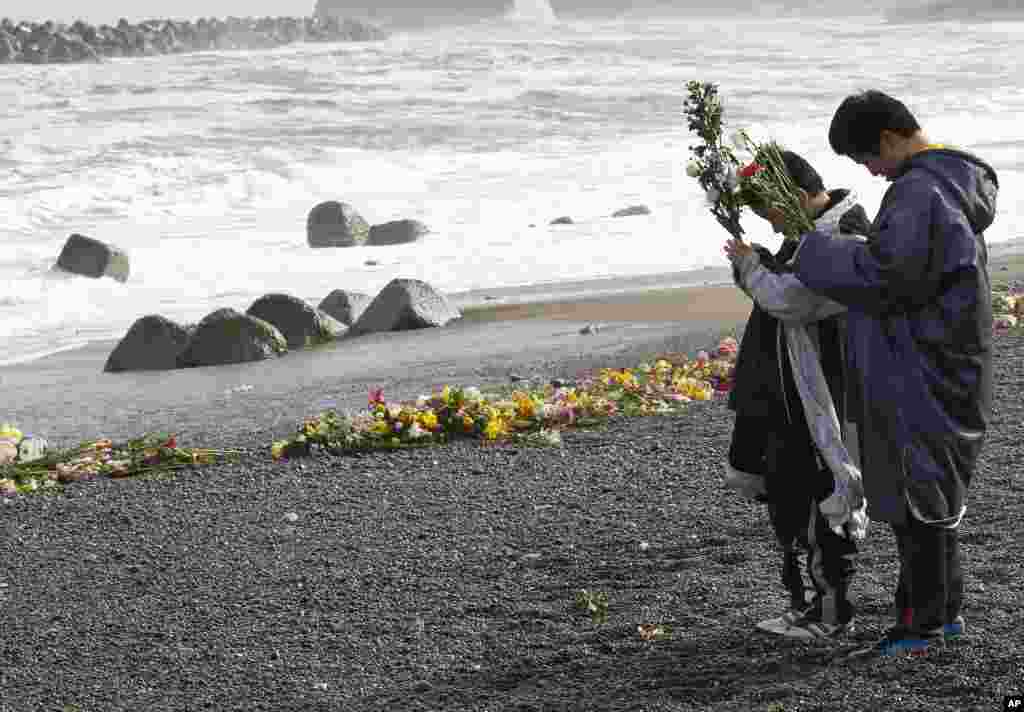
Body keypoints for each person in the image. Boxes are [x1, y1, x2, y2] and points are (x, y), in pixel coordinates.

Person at [791, 90, 997, 656]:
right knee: (932, 498)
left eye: (865, 159)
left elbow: (886, 277)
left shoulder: (920, 192)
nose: (869, 173)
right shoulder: (948, 183)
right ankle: (936, 619)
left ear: (887, 139)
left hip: (920, 370)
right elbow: (910, 267)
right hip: (947, 363)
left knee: (918, 501)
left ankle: (922, 627)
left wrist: (812, 251)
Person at [722, 150, 872, 639]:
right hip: (793, 389)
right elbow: (785, 290)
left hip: (823, 391)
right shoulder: (808, 238)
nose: (770, 220)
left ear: (802, 195)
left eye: (772, 209)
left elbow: (794, 301)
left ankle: (832, 614)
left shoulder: (844, 236)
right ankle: (810, 607)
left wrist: (751, 268)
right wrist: (756, 266)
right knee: (789, 491)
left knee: (824, 491)